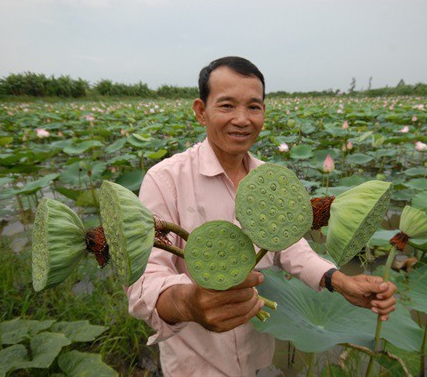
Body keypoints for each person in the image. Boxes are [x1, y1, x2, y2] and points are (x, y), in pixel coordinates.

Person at [126, 56, 396, 376]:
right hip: (196, 364)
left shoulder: (269, 178)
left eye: (254, 107)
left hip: (259, 359)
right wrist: (188, 303)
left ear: (264, 112)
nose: (242, 119)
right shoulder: (165, 179)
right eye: (227, 105)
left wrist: (339, 280)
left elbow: (289, 247)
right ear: (201, 110)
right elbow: (144, 282)